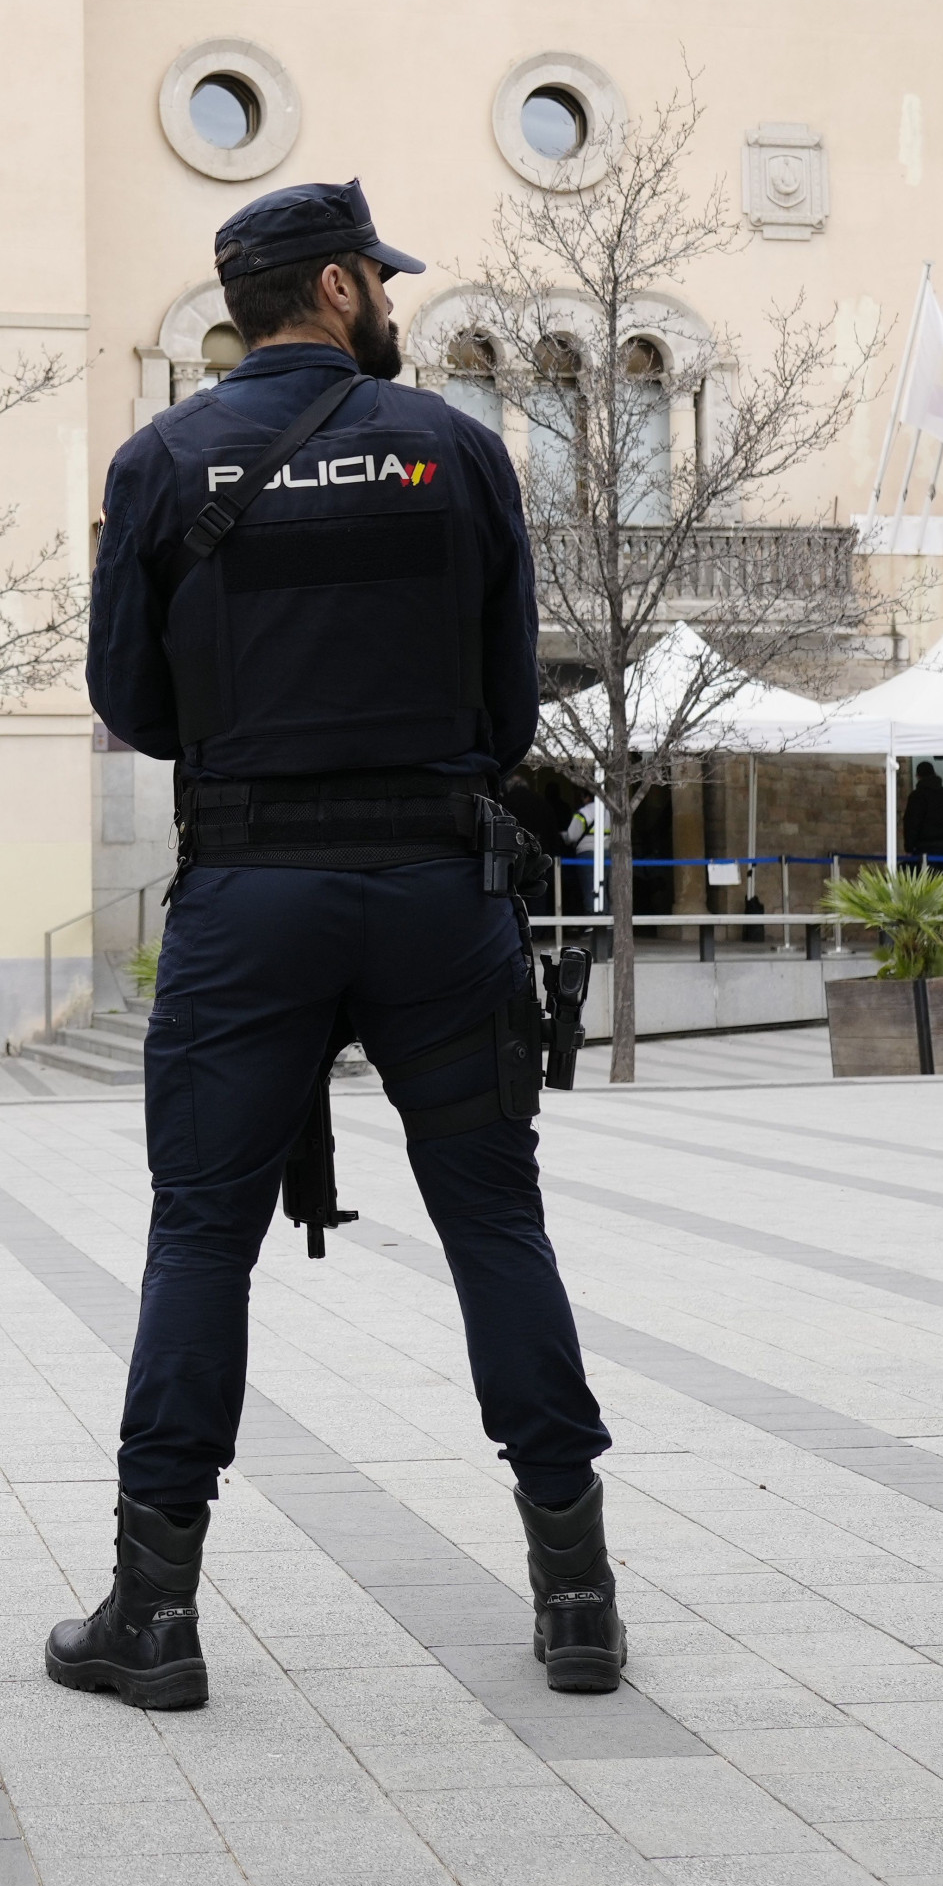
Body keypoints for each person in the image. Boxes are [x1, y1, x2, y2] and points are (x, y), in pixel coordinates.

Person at [59, 178, 618, 1714]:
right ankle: (578, 1598)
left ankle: (153, 1614)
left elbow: (134, 699)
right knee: (495, 1224)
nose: (395, 295)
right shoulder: (463, 450)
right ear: (327, 286)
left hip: (250, 895)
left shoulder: (162, 459)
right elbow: (510, 712)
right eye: (379, 272)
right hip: (438, 885)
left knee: (198, 1238)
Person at [900, 762, 943, 877]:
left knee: (927, 883)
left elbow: (912, 823)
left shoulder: (917, 796)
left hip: (924, 848)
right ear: (934, 773)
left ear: (918, 776)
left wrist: (909, 847)